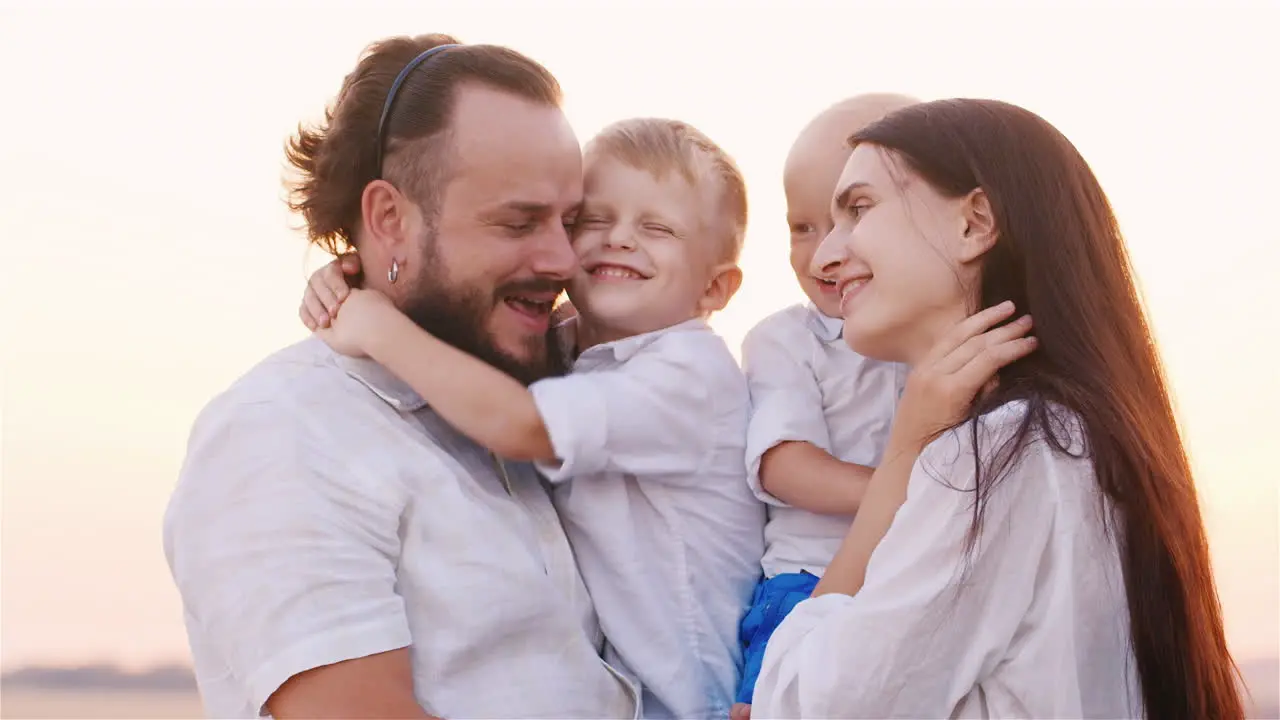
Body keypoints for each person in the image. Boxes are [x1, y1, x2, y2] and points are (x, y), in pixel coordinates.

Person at [163, 34, 639, 719]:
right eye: (519, 222)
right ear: (389, 218)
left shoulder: (541, 403)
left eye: (570, 221)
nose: (563, 259)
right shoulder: (283, 431)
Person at [751, 98, 1243, 719]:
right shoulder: (1074, 437)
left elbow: (810, 706)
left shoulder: (1000, 456)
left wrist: (905, 456)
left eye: (858, 208)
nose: (825, 258)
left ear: (975, 222)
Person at [302, 117, 766, 720]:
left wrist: (376, 326)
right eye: (592, 221)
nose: (618, 239)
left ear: (716, 289)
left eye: (657, 228)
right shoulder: (577, 347)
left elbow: (521, 425)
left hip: (696, 699)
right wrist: (354, 275)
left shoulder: (688, 375)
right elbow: (467, 328)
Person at [733, 93, 917, 717]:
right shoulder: (785, 339)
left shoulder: (919, 333)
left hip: (903, 578)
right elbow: (784, 466)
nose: (821, 253)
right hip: (809, 581)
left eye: (849, 218)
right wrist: (912, 491)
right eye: (800, 227)